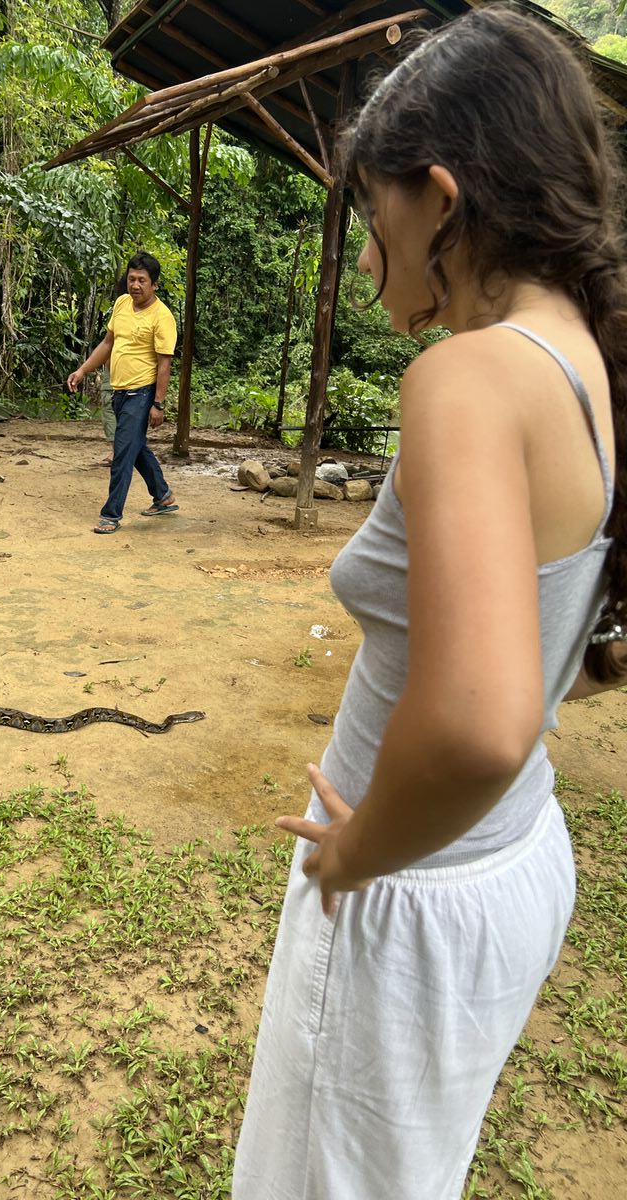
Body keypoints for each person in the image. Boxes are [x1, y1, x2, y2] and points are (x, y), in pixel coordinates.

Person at [232, 8, 627, 1199]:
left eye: (370, 219)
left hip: (408, 889)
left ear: (440, 199)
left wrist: (356, 848)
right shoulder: (584, 363)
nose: (364, 260)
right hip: (511, 859)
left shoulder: (462, 378)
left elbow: (474, 722)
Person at [67, 252, 179, 534]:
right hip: (119, 390)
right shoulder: (121, 304)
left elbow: (164, 363)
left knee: (122, 454)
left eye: (142, 280)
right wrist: (82, 370)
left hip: (142, 394)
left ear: (154, 284)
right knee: (135, 447)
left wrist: (159, 404)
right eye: (132, 279)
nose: (136, 285)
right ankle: (163, 495)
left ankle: (111, 514)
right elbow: (108, 343)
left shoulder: (162, 317)